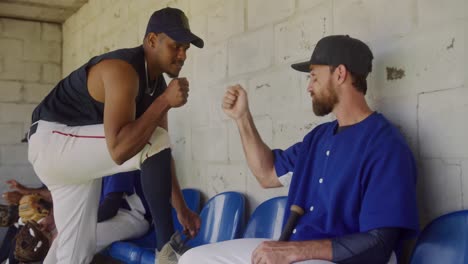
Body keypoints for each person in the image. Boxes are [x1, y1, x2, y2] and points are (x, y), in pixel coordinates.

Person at [179, 35, 419, 264]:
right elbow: (267, 174)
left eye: (314, 76)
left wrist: (293, 251)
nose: (309, 87)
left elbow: (378, 244)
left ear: (340, 74)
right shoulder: (318, 138)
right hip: (298, 250)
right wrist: (242, 118)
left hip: (345, 260)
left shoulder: (385, 146)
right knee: (192, 258)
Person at [27, 7, 203, 264]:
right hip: (53, 141)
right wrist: (164, 101)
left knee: (76, 254)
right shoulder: (122, 70)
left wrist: (182, 209)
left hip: (72, 162)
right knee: (152, 138)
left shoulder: (157, 87)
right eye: (176, 46)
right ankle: (166, 252)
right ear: (152, 40)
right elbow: (119, 150)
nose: (182, 55)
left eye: (186, 48)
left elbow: (161, 154)